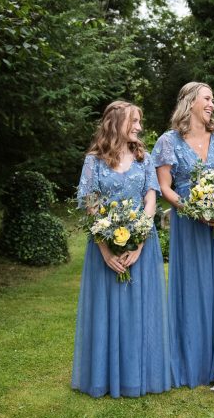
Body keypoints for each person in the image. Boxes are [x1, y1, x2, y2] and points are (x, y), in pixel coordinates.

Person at [71, 100, 171, 398]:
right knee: (106, 310)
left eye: (139, 121)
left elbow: (150, 200)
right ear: (116, 123)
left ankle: (136, 374)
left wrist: (139, 242)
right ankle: (105, 376)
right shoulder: (94, 161)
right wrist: (105, 250)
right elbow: (90, 204)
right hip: (104, 245)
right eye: (134, 121)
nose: (139, 126)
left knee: (138, 310)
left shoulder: (144, 158)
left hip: (142, 244)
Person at [152, 82, 214, 388]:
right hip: (189, 224)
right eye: (207, 98)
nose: (212, 104)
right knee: (194, 289)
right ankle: (194, 361)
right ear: (190, 101)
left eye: (213, 100)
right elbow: (164, 187)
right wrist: (195, 210)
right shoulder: (168, 141)